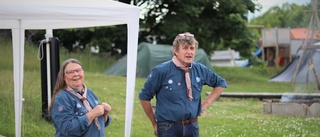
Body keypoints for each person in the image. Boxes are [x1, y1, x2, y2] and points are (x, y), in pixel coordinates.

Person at [139, 32, 227, 137]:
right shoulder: (161, 71)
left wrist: (206, 103)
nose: (189, 52)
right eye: (185, 48)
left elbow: (220, 83)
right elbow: (144, 97)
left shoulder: (200, 69)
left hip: (192, 126)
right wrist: (154, 123)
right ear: (176, 51)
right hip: (168, 128)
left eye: (192, 48)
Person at [48, 58, 112, 137]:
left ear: (83, 72)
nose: (75, 74)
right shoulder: (61, 99)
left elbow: (97, 125)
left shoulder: (89, 93)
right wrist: (92, 114)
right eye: (70, 72)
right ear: (64, 77)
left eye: (78, 70)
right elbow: (69, 130)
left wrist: (104, 114)